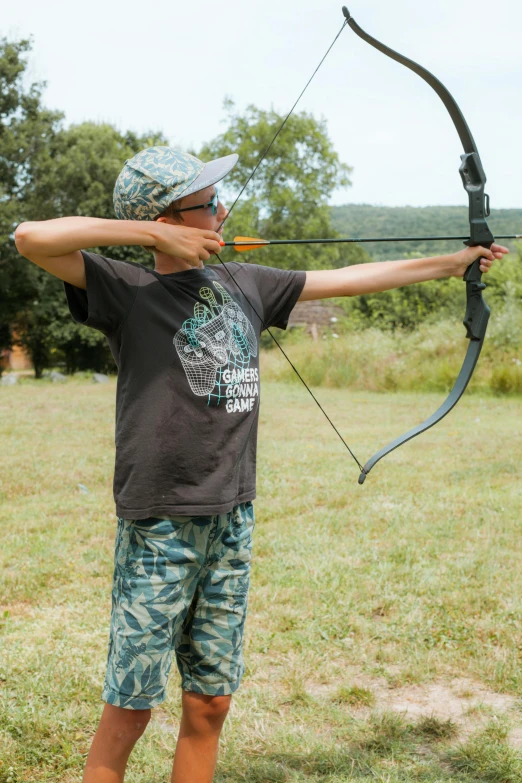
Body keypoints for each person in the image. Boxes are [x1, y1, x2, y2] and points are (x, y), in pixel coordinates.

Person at [14, 145, 508, 783]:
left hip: (232, 518)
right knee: (130, 707)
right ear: (166, 219)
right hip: (160, 526)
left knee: (211, 701)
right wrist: (151, 237)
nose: (221, 209)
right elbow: (31, 237)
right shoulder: (127, 288)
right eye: (206, 203)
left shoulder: (246, 283)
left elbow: (354, 277)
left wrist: (455, 262)